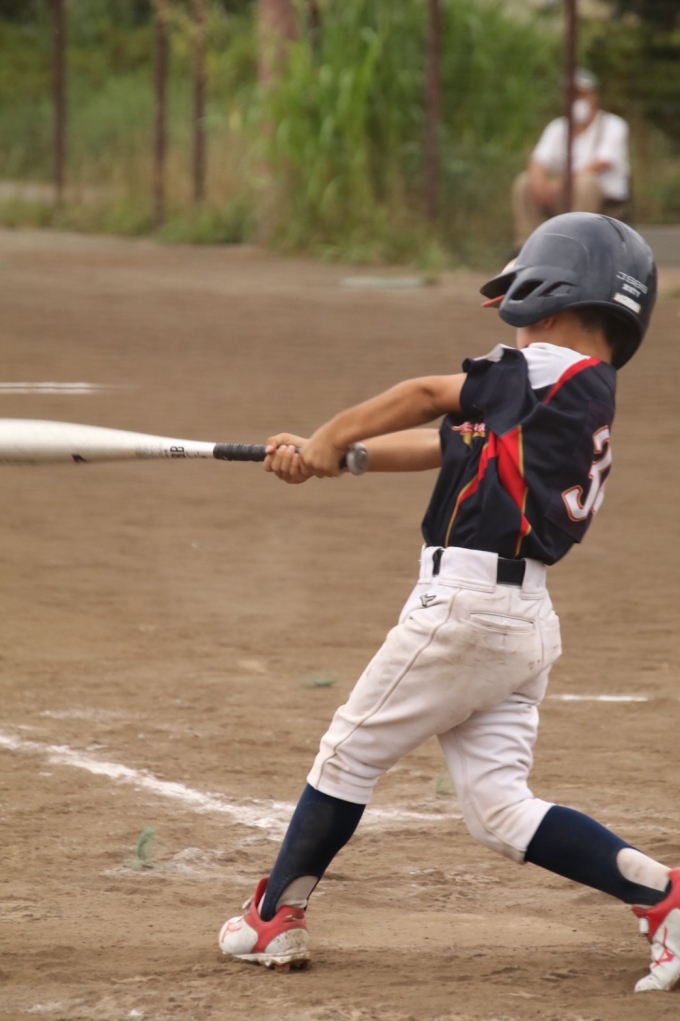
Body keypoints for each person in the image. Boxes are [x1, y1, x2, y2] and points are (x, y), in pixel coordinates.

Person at [218, 213, 679, 994]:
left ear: (555, 299)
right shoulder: (572, 393)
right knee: (499, 808)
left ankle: (274, 914)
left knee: (348, 752)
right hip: (519, 622)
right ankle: (664, 896)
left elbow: (425, 394)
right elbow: (448, 443)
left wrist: (331, 432)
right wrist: (335, 455)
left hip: (465, 610)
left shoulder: (540, 369)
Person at [512, 69, 630, 250]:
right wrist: (539, 182)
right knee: (524, 182)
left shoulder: (613, 125)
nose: (575, 100)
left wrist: (562, 183)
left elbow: (602, 162)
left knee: (586, 183)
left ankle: (574, 245)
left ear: (594, 96)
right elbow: (538, 159)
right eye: (570, 95)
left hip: (602, 202)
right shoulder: (558, 127)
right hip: (562, 197)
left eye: (580, 95)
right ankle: (528, 246)